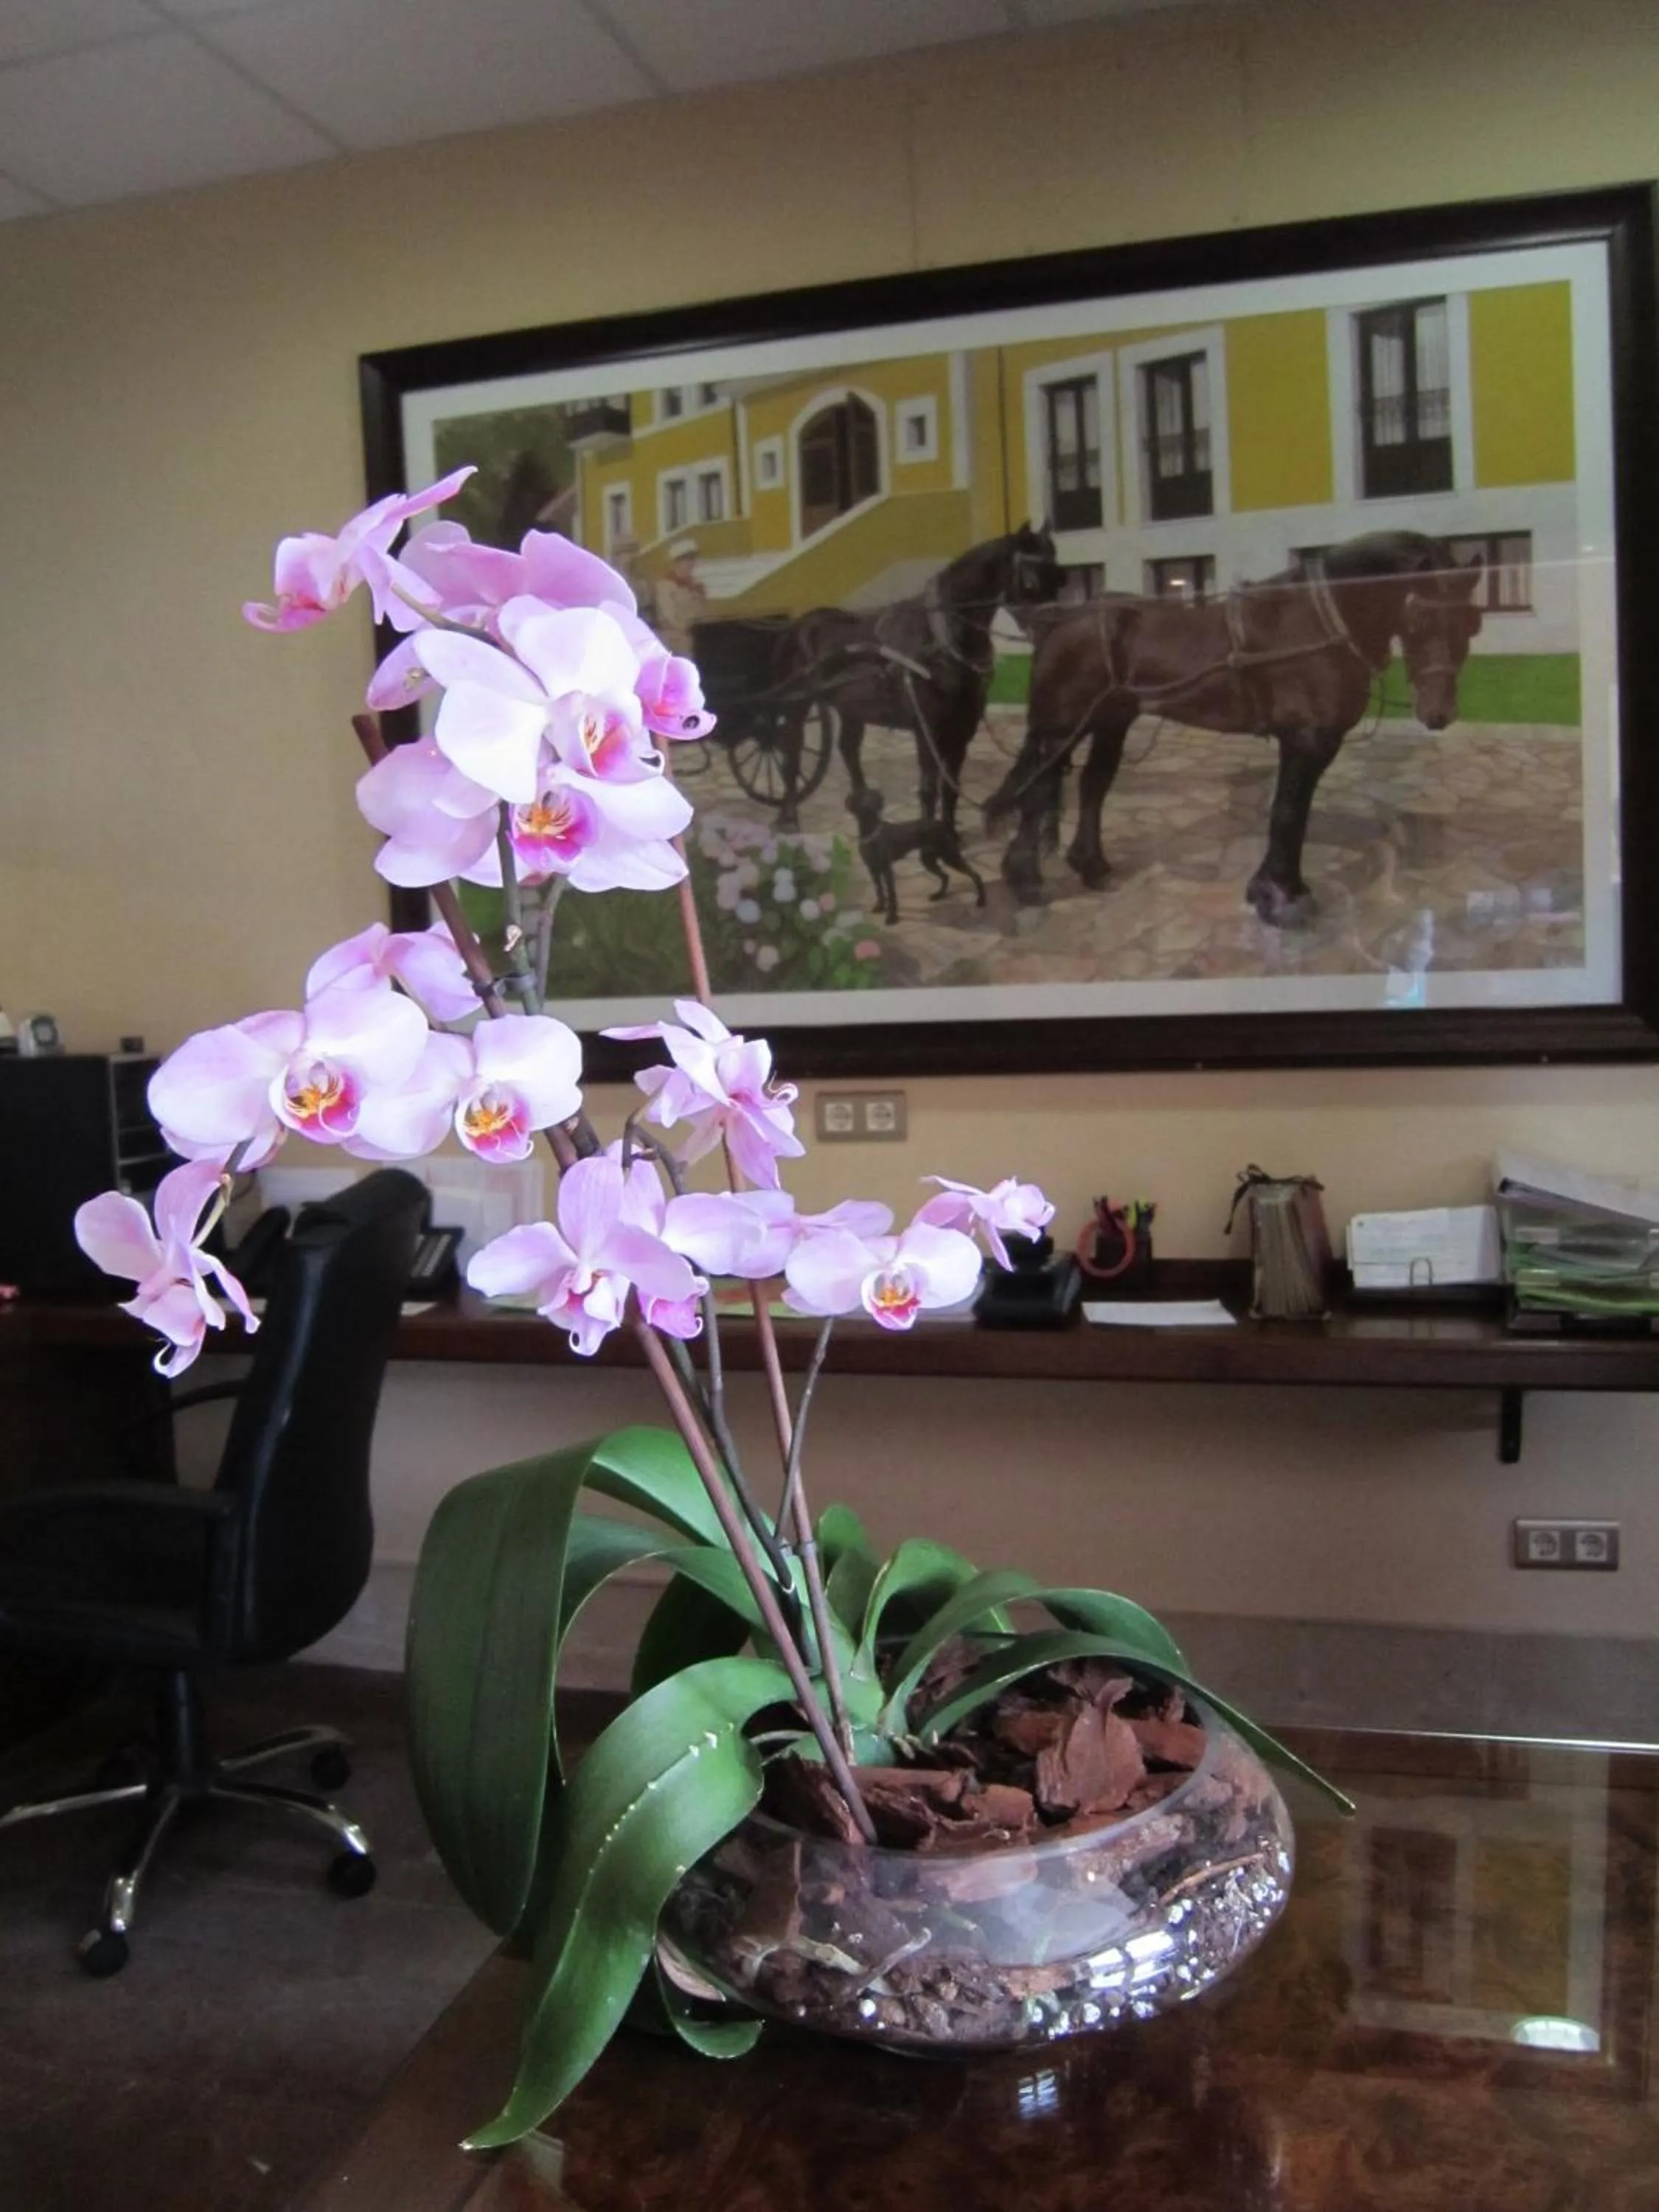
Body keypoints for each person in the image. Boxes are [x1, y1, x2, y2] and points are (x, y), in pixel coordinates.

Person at [655, 538, 708, 655]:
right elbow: (668, 618)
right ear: (676, 562)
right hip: (673, 640)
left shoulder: (695, 586)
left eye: (693, 559)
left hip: (691, 637)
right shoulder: (665, 586)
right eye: (687, 559)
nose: (691, 563)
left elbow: (702, 613)